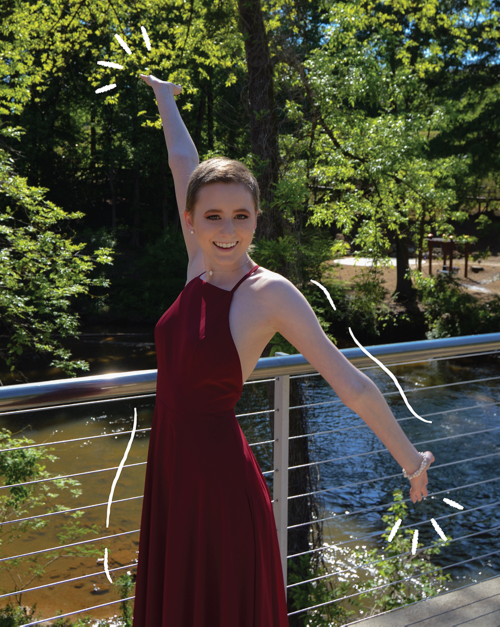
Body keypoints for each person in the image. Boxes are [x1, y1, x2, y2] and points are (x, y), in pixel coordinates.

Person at [133, 75, 435, 627]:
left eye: (241, 216)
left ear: (257, 219)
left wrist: (410, 459)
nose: (227, 230)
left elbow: (350, 382)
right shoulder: (198, 265)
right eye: (213, 216)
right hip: (173, 466)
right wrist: (164, 99)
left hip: (218, 479)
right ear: (191, 220)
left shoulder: (268, 293)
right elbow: (183, 161)